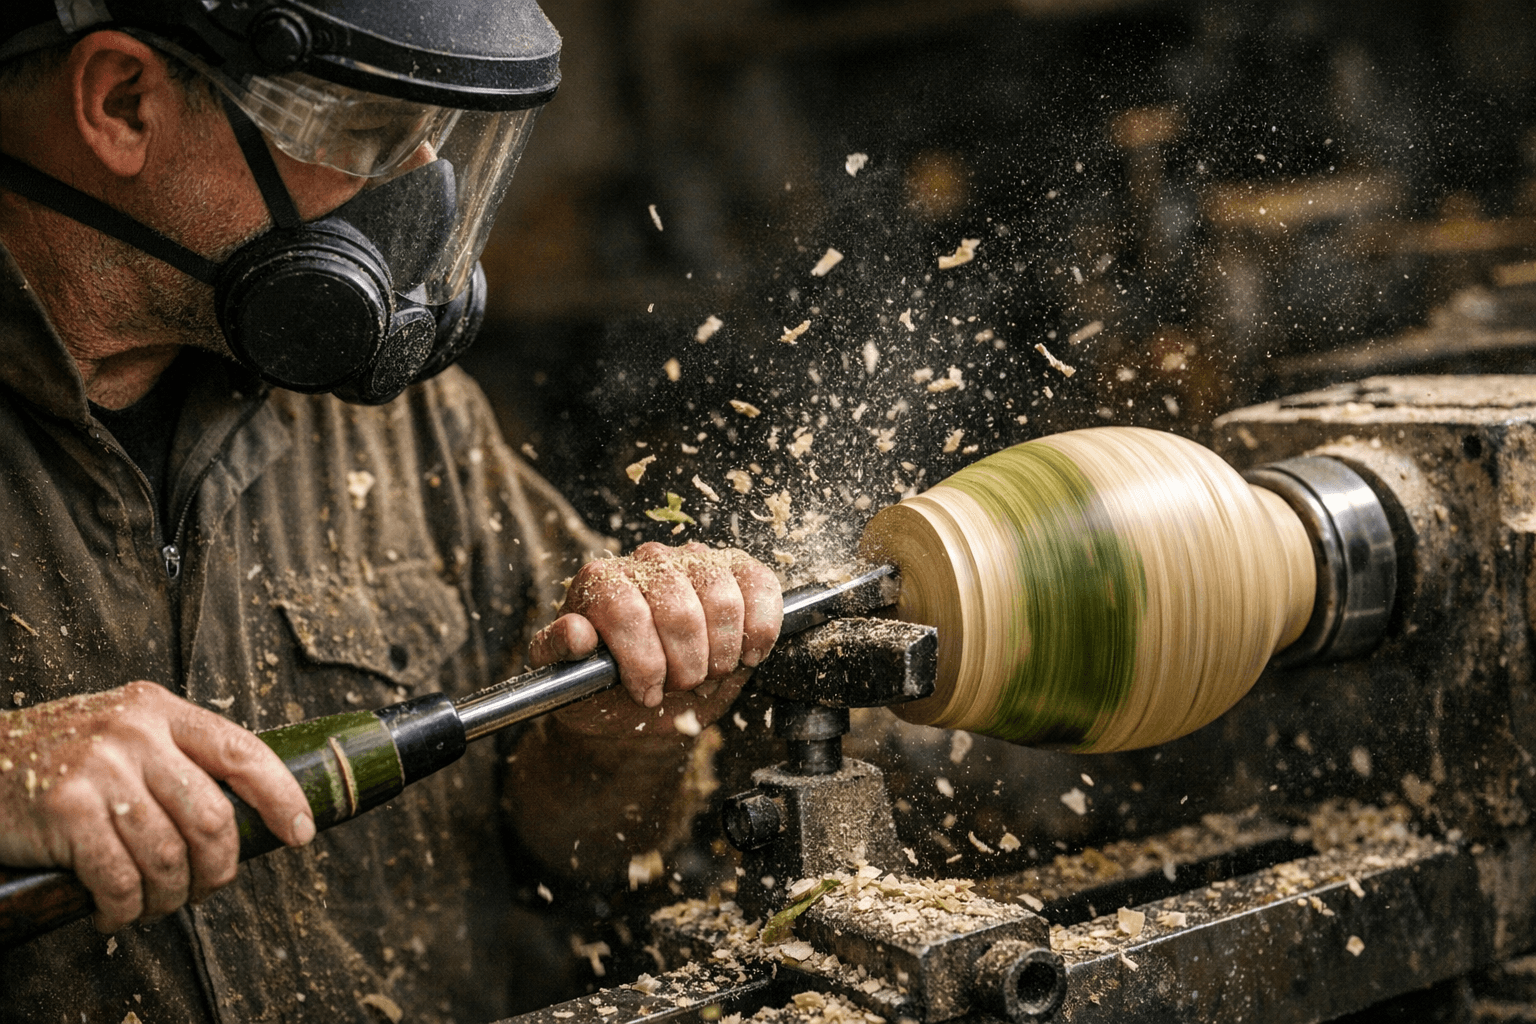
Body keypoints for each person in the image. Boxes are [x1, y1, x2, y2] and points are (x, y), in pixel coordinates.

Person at [0, 2, 782, 1021]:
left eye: (430, 137)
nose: (416, 191)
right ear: (122, 102)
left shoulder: (410, 426)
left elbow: (579, 861)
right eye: (367, 133)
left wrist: (614, 740)